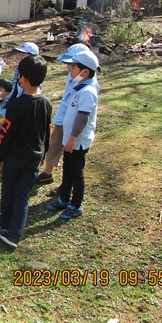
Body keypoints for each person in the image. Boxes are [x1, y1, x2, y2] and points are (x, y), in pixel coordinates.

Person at [0, 55, 52, 249]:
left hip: (15, 158)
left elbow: (6, 133)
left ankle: (5, 224)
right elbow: (46, 131)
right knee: (23, 195)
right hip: (34, 157)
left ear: (23, 78)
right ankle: (15, 231)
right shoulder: (46, 102)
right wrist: (44, 154)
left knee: (9, 189)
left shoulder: (16, 105)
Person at [46, 50, 99, 220]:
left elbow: (83, 118)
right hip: (69, 138)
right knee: (67, 170)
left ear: (86, 71)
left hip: (77, 141)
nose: (70, 69)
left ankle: (76, 205)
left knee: (76, 173)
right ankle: (63, 199)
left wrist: (73, 137)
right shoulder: (78, 87)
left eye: (74, 67)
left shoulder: (88, 91)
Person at [35, 44, 97, 190]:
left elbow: (84, 112)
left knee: (73, 164)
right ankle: (49, 174)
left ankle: (67, 190)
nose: (69, 70)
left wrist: (74, 134)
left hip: (73, 125)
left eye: (72, 66)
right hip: (65, 117)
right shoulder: (74, 75)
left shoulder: (89, 86)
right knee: (55, 145)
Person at [2, 42, 40, 107]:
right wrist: (7, 104)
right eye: (20, 55)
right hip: (18, 103)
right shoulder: (18, 68)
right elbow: (14, 88)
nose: (20, 57)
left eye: (23, 55)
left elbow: (38, 90)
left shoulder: (37, 71)